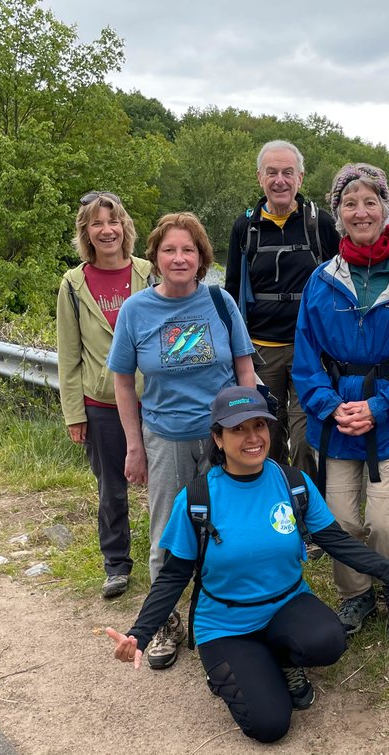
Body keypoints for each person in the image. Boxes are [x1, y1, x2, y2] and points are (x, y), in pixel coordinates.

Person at [105, 386, 389, 744]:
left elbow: (338, 542)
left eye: (259, 426)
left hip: (286, 603)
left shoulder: (293, 483)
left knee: (329, 640)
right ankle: (233, 668)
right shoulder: (198, 498)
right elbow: (173, 576)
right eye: (238, 429)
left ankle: (281, 660)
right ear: (218, 438)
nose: (253, 438)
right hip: (226, 624)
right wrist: (139, 634)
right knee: (269, 726)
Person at [292, 163, 389, 637]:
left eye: (370, 201)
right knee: (340, 519)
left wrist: (380, 407)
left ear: (384, 207)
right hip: (335, 420)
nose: (360, 211)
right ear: (338, 213)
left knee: (387, 520)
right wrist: (330, 405)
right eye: (349, 203)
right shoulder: (322, 280)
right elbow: (306, 357)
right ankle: (356, 596)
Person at [107, 212, 257, 670]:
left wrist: (249, 432)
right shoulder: (136, 311)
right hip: (165, 438)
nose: (178, 258)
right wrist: (134, 445)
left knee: (227, 529)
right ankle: (165, 624)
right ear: (154, 256)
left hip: (220, 437)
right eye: (169, 250)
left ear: (201, 258)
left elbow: (245, 368)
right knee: (167, 535)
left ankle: (224, 613)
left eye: (188, 250)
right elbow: (124, 383)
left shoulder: (220, 302)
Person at [56, 191, 154, 600]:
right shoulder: (74, 284)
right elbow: (68, 353)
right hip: (101, 405)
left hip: (154, 398)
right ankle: (116, 564)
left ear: (124, 227)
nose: (106, 230)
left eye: (112, 222)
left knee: (167, 484)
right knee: (111, 489)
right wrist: (73, 413)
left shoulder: (150, 272)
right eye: (97, 223)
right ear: (87, 233)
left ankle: (176, 557)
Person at [225, 141, 339, 479]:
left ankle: (308, 516)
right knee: (266, 438)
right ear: (259, 178)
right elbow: (231, 292)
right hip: (260, 353)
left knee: (307, 442)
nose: (280, 180)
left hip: (310, 352)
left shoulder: (321, 225)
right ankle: (273, 512)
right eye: (272, 172)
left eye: (287, 172)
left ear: (300, 178)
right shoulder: (244, 228)